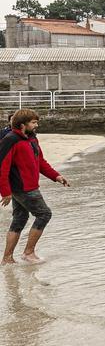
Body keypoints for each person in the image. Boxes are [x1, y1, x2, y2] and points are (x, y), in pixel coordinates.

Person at [1, 109, 70, 265]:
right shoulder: (10, 139)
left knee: (20, 219)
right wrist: (5, 192)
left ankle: (7, 258)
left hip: (28, 187)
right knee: (44, 214)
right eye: (33, 122)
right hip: (23, 188)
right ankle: (28, 253)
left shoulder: (32, 139)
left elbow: (40, 162)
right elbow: (2, 168)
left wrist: (56, 176)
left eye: (36, 122)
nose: (36, 125)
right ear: (22, 124)